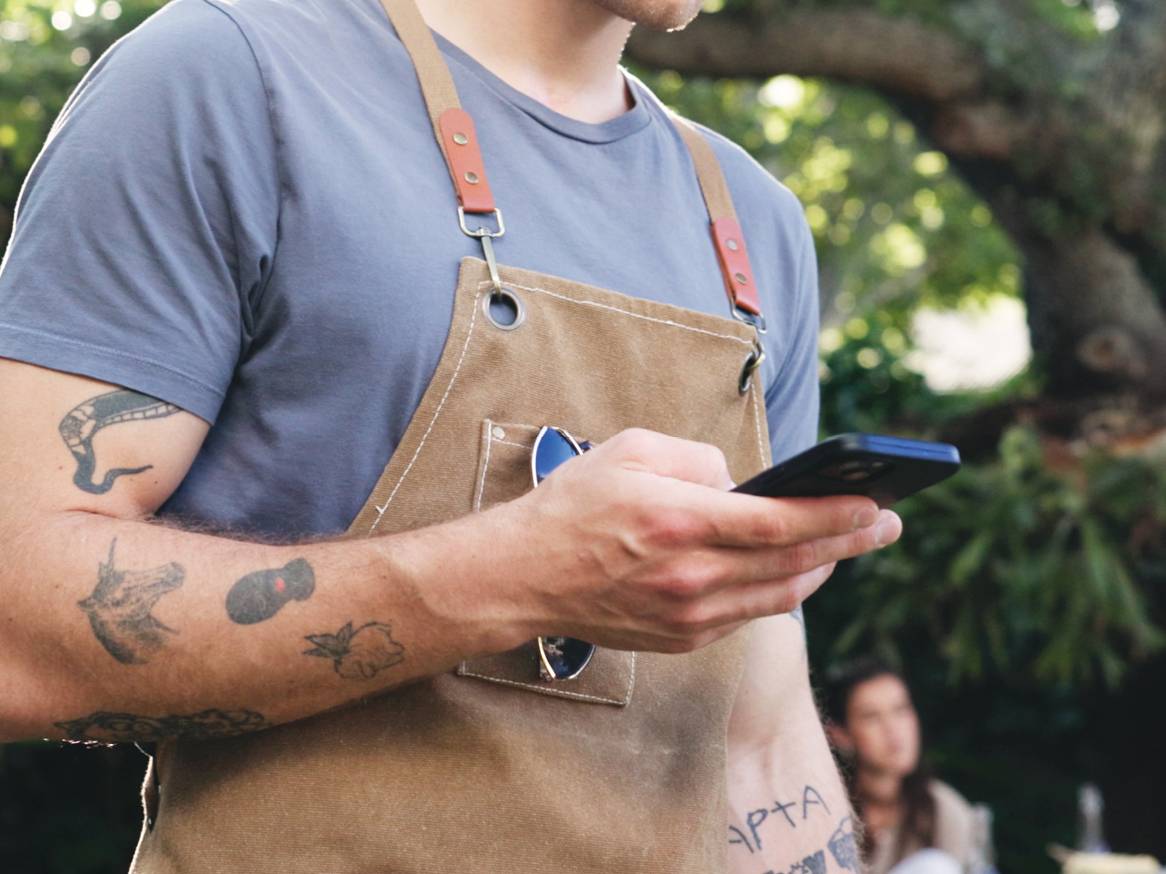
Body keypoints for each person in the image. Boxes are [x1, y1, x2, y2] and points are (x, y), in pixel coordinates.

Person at [0, 0, 903, 870]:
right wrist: (514, 574)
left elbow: (758, 738)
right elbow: (15, 639)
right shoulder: (228, 77)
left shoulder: (754, 224)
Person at [825, 657, 976, 874]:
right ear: (840, 735)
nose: (893, 731)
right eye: (871, 717)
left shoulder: (943, 810)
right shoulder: (826, 812)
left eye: (900, 710)